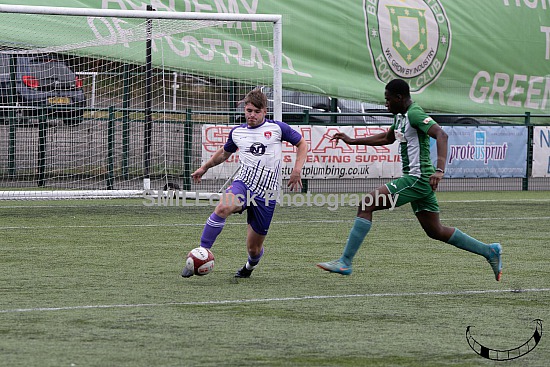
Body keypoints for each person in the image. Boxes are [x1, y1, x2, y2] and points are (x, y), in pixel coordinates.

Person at [317, 79, 503, 281]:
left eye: (388, 100)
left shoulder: (414, 113)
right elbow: (386, 139)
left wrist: (440, 169)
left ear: (399, 97)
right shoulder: (400, 117)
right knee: (435, 231)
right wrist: (352, 140)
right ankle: (489, 251)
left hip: (417, 178)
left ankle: (345, 262)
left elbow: (442, 135)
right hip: (418, 181)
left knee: (366, 204)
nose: (386, 104)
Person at [183, 88, 308, 278]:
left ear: (264, 111)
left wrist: (297, 170)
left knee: (254, 249)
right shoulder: (238, 132)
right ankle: (201, 252)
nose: (252, 115)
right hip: (244, 184)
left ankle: (248, 268)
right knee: (223, 208)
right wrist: (204, 168)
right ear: (245, 110)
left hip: (267, 194)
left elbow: (302, 144)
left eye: (257, 112)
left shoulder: (277, 128)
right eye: (249, 111)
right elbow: (224, 153)